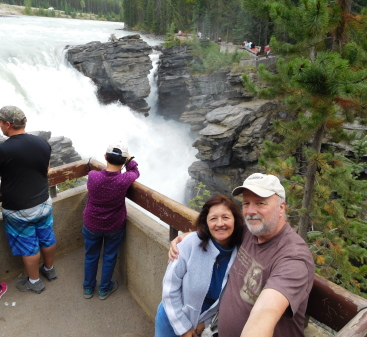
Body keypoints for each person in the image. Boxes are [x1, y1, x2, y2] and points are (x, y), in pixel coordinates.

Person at [170, 173, 315, 337]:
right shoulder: (249, 232)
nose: (251, 211)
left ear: (281, 207)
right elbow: (219, 230)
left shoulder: (294, 258)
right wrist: (187, 238)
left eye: (260, 203)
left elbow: (266, 311)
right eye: (246, 203)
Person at [156, 195, 245, 337]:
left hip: (203, 326)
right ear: (206, 223)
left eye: (226, 217)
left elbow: (231, 300)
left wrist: (207, 322)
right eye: (213, 218)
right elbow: (169, 288)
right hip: (172, 318)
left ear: (236, 220)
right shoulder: (190, 243)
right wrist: (183, 328)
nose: (220, 223)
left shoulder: (242, 254)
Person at [0, 105, 57, 294]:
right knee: (47, 237)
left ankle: (34, 282)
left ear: (8, 124)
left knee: (28, 246)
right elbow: (46, 168)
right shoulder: (42, 143)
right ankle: (49, 270)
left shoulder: (3, 150)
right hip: (43, 202)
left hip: (19, 209)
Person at [82, 142, 139, 300]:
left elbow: (101, 179)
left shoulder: (93, 176)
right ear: (123, 162)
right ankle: (104, 289)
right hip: (114, 225)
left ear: (105, 157)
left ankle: (88, 288)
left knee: (91, 255)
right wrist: (129, 160)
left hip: (91, 224)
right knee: (109, 256)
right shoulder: (124, 179)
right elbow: (135, 171)